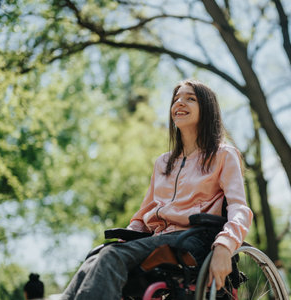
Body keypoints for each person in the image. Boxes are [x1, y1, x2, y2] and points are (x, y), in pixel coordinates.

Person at [61, 79, 253, 300]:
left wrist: (225, 245)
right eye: (176, 99)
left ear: (207, 109)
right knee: (96, 256)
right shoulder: (163, 163)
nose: (179, 103)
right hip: (159, 238)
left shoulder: (222, 154)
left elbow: (239, 207)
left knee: (111, 257)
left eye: (190, 98)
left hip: (194, 240)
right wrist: (129, 236)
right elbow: (144, 214)